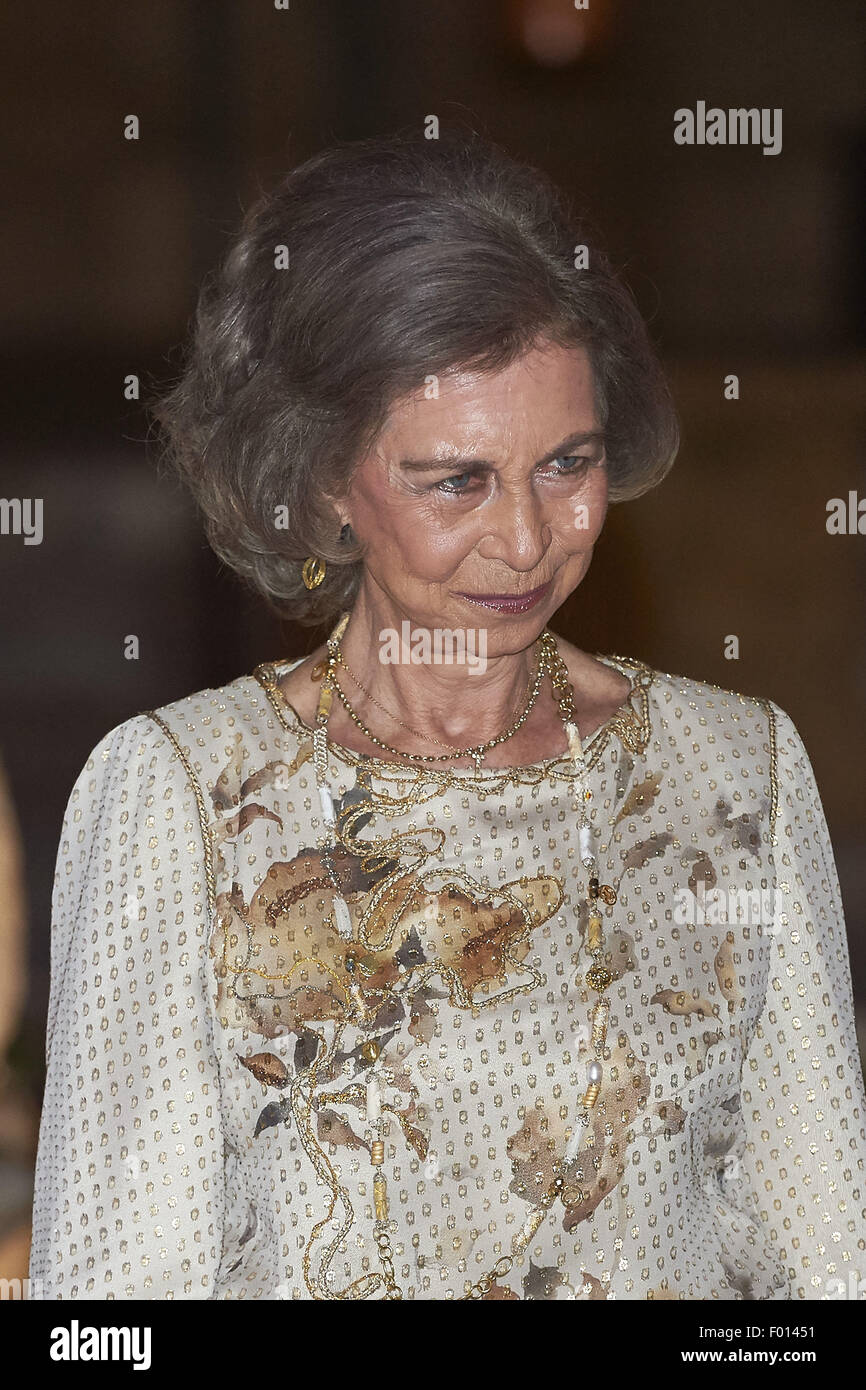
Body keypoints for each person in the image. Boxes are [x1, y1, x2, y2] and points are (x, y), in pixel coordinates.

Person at [30, 130, 866, 1300]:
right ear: (322, 476)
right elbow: (112, 1310)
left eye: (566, 464)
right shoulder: (182, 794)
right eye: (456, 480)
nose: (524, 539)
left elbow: (822, 1273)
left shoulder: (735, 772)